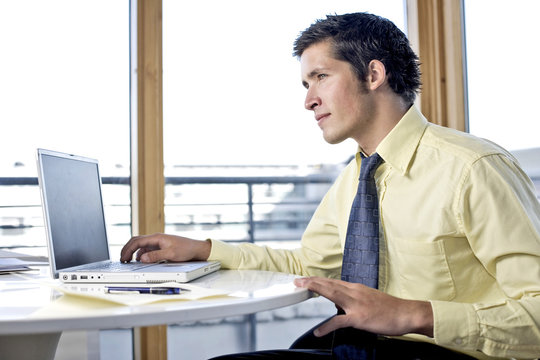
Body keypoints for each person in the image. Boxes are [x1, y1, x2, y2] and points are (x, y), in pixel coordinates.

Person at [121, 12, 540, 360]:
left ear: (373, 74)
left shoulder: (472, 168)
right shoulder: (356, 178)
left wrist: (416, 315)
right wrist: (205, 250)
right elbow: (309, 266)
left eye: (320, 77)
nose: (308, 100)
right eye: (306, 85)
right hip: (370, 345)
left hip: (447, 352)